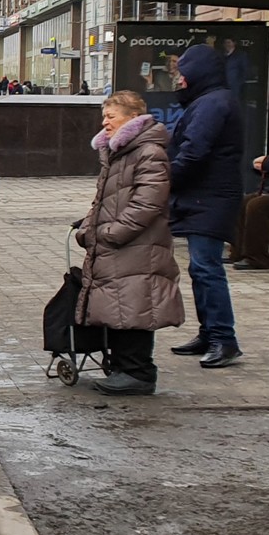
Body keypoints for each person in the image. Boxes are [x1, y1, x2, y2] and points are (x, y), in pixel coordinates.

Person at [76, 91, 185, 396]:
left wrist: (112, 232)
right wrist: (89, 227)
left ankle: (138, 373)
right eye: (104, 116)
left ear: (132, 118)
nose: (104, 122)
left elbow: (149, 202)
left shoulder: (147, 151)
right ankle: (125, 368)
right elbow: (105, 200)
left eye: (111, 116)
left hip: (137, 244)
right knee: (120, 304)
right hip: (122, 243)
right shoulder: (120, 151)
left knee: (136, 304)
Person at [165, 43, 246, 368]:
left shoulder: (212, 103)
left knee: (207, 268)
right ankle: (209, 332)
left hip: (210, 198)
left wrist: (164, 180)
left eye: (182, 73)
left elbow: (194, 151)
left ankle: (223, 339)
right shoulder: (208, 101)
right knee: (200, 268)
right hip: (204, 197)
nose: (179, 79)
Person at [232, 153, 269, 270]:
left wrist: (266, 162)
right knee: (243, 202)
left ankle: (258, 259)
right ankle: (237, 252)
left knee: (256, 206)